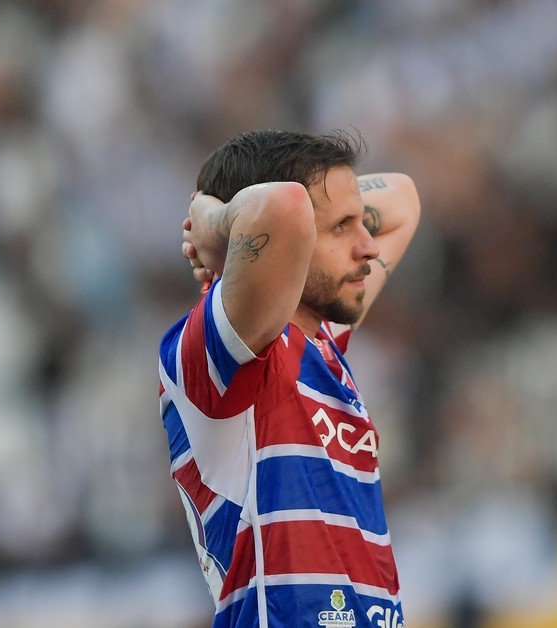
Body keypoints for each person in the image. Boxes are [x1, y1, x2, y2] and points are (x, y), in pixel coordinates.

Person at [158, 129, 420, 628]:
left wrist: (330, 209)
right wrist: (209, 220)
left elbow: (404, 199)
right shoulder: (217, 352)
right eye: (341, 227)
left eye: (360, 221)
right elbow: (282, 207)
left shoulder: (318, 339)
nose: (367, 246)